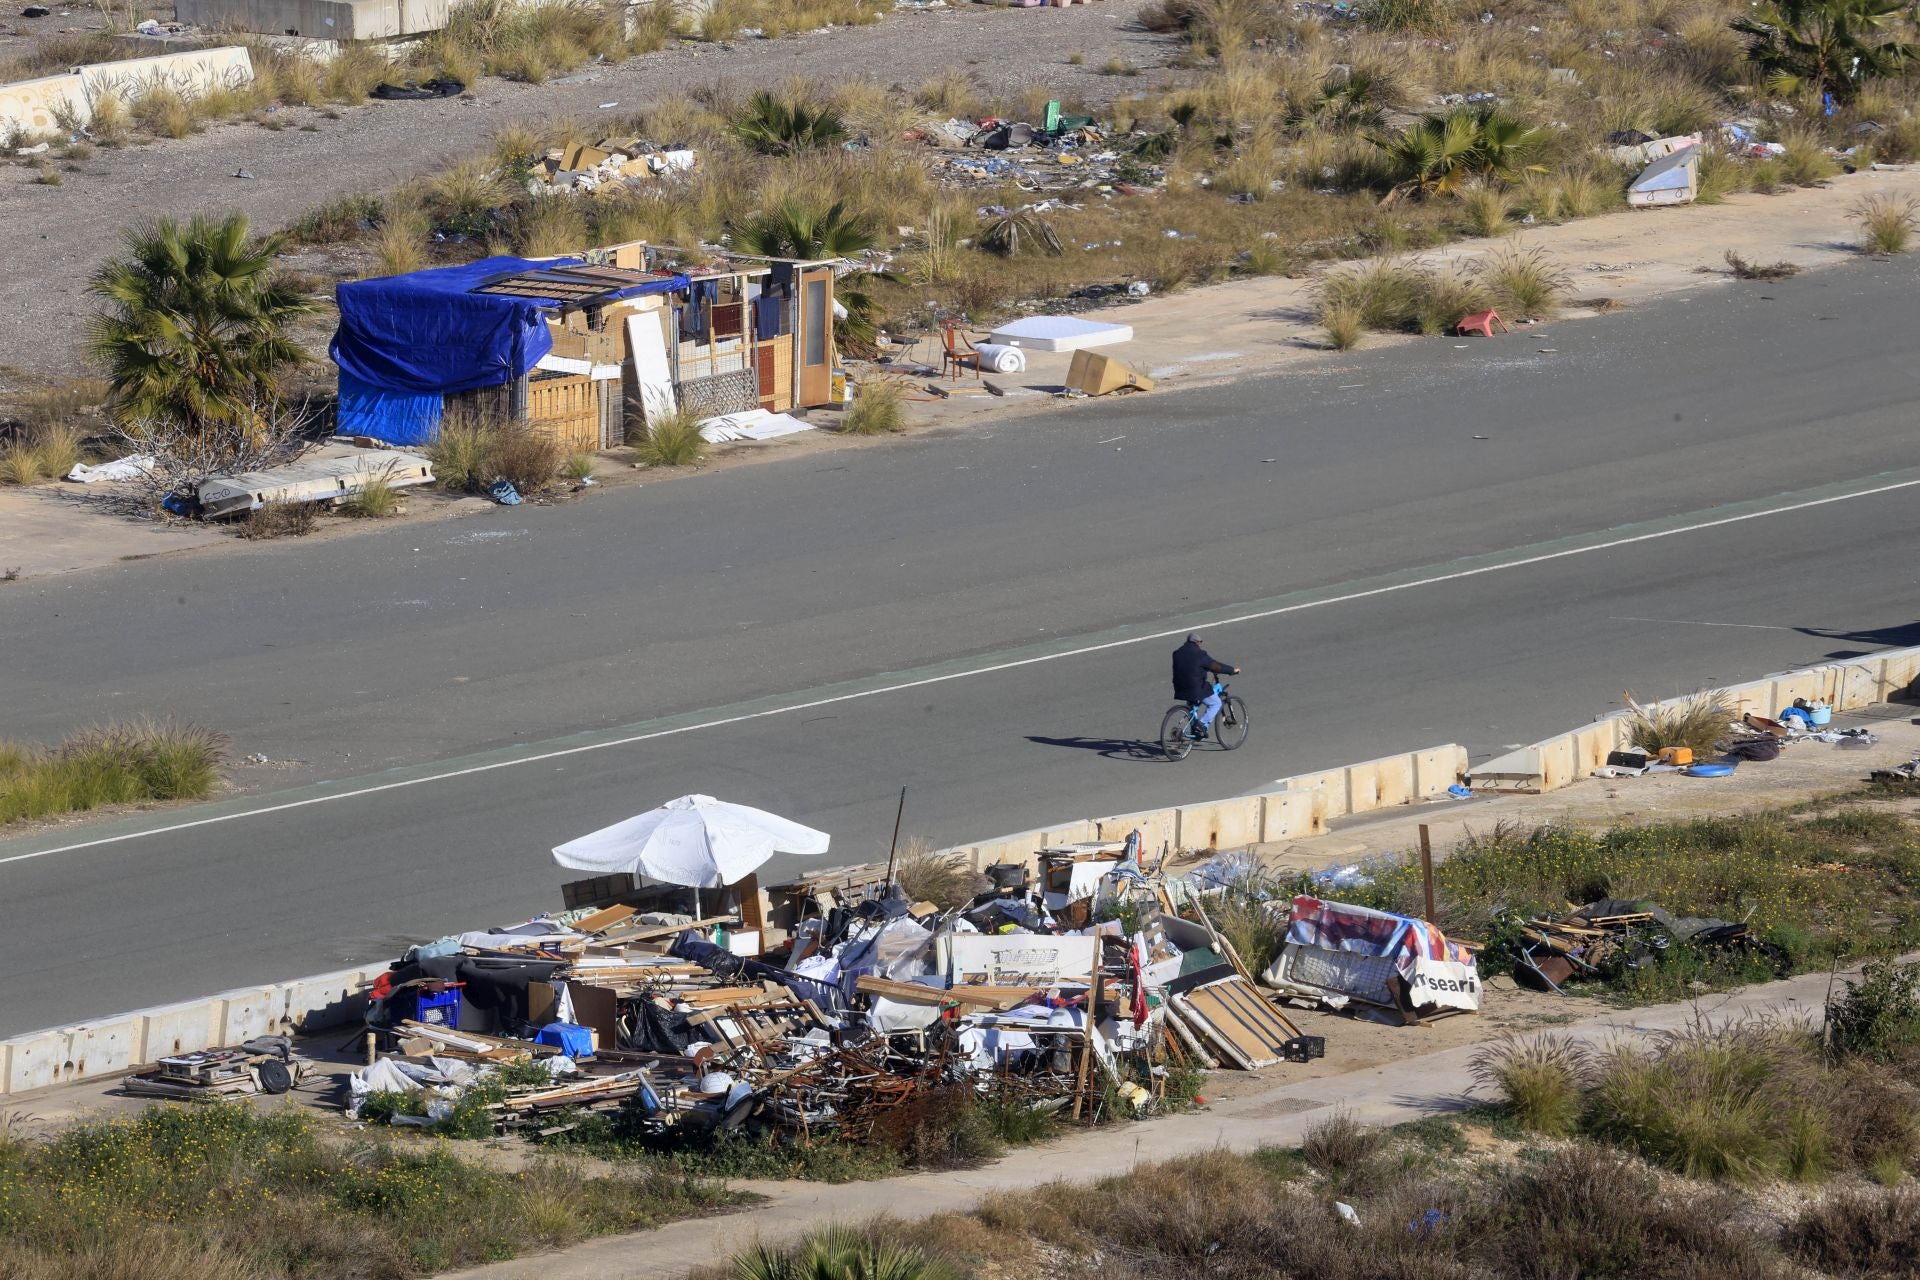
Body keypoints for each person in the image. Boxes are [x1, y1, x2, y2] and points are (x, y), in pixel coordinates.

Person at [1171, 634, 1239, 740]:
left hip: (1180, 687)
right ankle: (1200, 725)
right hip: (1195, 688)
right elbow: (1216, 666)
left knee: (1194, 705)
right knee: (1216, 703)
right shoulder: (1200, 654)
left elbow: (1188, 666)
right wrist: (1231, 670)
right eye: (1200, 642)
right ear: (1196, 642)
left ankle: (1194, 729)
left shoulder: (1177, 653)